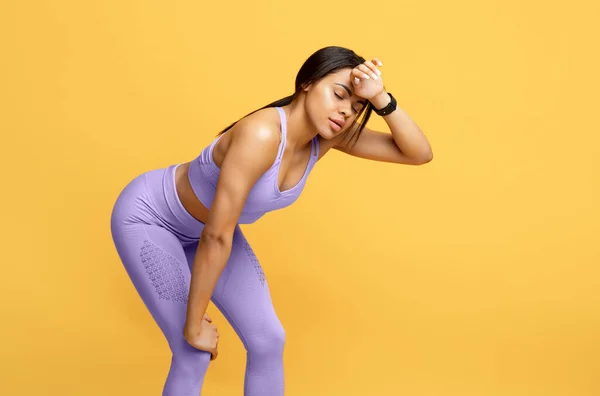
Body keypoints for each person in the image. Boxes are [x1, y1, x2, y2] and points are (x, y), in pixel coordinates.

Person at [110, 45, 433, 396]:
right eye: (339, 94)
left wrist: (381, 98)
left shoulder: (325, 138)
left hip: (208, 234)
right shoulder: (261, 135)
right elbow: (216, 237)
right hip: (151, 220)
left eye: (356, 107)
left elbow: (418, 153)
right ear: (307, 83)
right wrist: (194, 324)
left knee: (268, 340)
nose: (345, 111)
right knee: (193, 352)